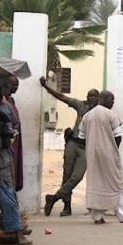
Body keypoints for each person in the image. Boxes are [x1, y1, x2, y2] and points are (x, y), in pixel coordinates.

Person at [40, 76, 99, 216]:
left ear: (99, 98)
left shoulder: (101, 111)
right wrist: (46, 87)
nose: (92, 98)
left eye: (95, 95)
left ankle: (53, 198)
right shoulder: (80, 105)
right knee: (66, 175)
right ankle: (67, 207)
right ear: (87, 97)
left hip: (86, 148)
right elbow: (62, 97)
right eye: (90, 95)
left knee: (77, 177)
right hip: (73, 143)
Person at [78, 90, 123, 224]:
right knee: (116, 184)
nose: (113, 103)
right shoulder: (111, 115)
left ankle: (97, 217)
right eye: (112, 100)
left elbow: (81, 138)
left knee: (96, 183)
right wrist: (111, 149)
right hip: (109, 155)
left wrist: (91, 147)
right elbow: (118, 136)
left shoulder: (87, 116)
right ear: (104, 99)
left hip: (92, 156)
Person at [0, 82, 32, 245]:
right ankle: (17, 234)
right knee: (8, 199)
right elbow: (6, 142)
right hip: (0, 163)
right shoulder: (3, 115)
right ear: (0, 96)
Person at [0, 77, 23, 191]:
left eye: (17, 84)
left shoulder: (11, 101)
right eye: (14, 84)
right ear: (6, 85)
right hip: (7, 141)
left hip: (15, 141)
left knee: (13, 168)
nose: (16, 87)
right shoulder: (2, 102)